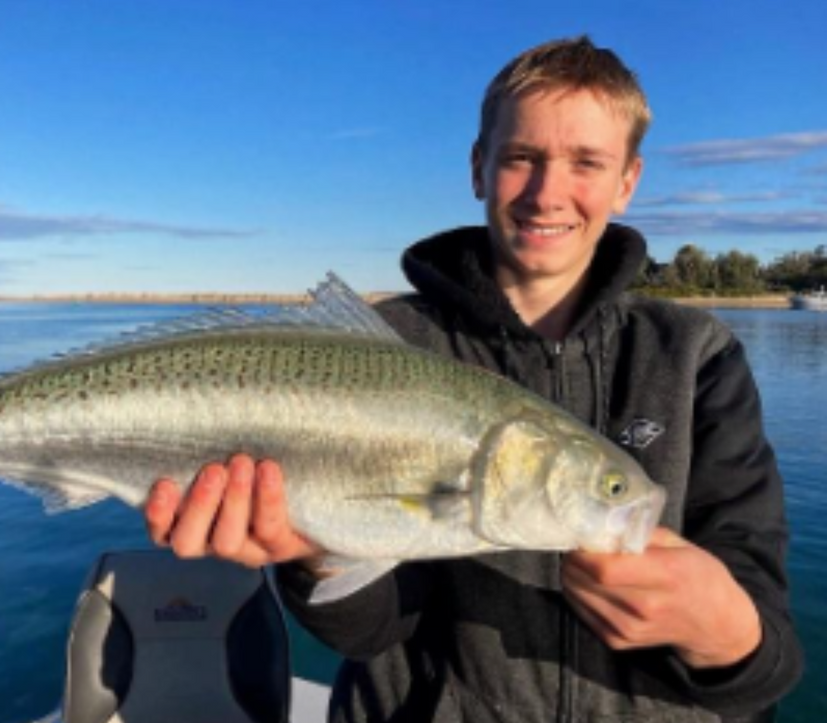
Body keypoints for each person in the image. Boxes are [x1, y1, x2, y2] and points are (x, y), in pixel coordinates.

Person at [143, 37, 804, 722]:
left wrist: (727, 632)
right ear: (478, 168)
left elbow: (769, 659)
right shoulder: (389, 342)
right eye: (521, 157)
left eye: (586, 162)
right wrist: (314, 558)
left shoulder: (697, 356)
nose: (548, 193)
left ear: (627, 180)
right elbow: (372, 633)